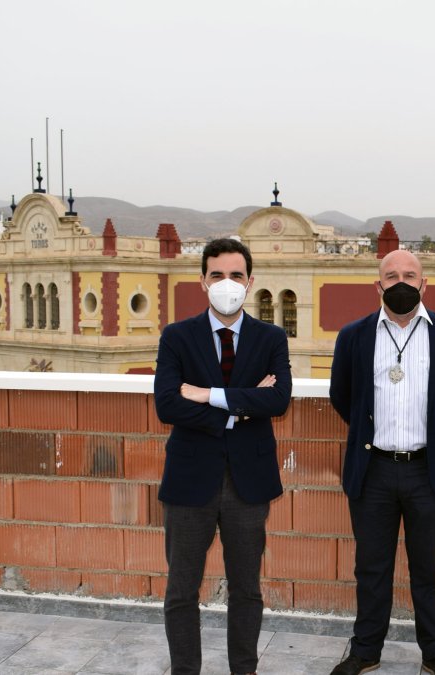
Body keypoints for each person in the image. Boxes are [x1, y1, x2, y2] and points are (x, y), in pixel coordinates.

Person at [328, 249, 435, 675]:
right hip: (372, 470)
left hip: (428, 471)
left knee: (428, 569)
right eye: (391, 275)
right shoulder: (354, 336)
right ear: (378, 286)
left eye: (409, 275)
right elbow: (343, 396)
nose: (400, 282)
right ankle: (365, 651)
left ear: (423, 284)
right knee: (371, 567)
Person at [154, 237, 292, 675]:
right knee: (181, 589)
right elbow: (167, 405)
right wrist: (240, 408)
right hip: (189, 480)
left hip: (248, 483)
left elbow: (279, 401)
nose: (226, 283)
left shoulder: (271, 338)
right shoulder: (177, 336)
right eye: (217, 275)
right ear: (202, 281)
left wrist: (207, 395)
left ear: (250, 282)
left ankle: (244, 670)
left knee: (246, 588)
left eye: (236, 275)